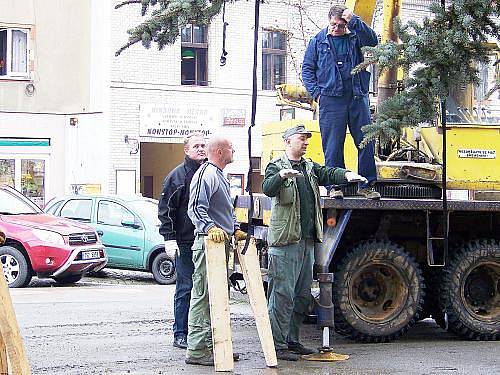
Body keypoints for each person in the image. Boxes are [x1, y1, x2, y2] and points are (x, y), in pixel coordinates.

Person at [262, 124, 367, 361]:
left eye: (307, 139)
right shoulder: (276, 165)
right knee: (282, 294)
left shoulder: (309, 167)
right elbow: (268, 189)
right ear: (288, 141)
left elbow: (328, 173)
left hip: (307, 241)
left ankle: (292, 340)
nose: (306, 142)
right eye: (302, 139)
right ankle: (277, 345)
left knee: (301, 295)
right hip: (286, 241)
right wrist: (281, 177)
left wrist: (347, 175)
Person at [302, 4, 381, 200]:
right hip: (330, 100)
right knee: (333, 145)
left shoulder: (356, 36)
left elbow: (373, 41)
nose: (335, 28)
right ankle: (335, 186)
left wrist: (354, 21)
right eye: (333, 24)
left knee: (365, 142)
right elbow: (307, 70)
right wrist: (317, 95)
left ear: (347, 24)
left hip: (357, 96)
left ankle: (366, 185)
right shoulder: (318, 41)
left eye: (340, 25)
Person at [185, 136, 247, 366]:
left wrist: (235, 228)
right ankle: (198, 350)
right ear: (220, 152)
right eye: (231, 148)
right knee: (203, 297)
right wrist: (210, 228)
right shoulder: (206, 174)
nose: (234, 151)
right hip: (207, 244)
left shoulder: (219, 175)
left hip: (220, 243)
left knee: (217, 298)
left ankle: (216, 347)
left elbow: (224, 208)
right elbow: (195, 208)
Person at [158, 132, 207, 349]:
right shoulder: (177, 177)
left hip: (206, 242)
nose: (201, 149)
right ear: (186, 150)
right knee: (185, 288)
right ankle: (180, 333)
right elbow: (165, 210)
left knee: (205, 289)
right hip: (185, 242)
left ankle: (202, 333)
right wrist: (169, 238)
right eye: (196, 146)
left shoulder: (209, 174)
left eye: (203, 145)